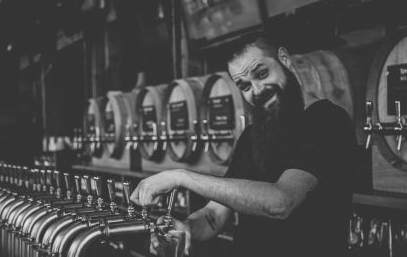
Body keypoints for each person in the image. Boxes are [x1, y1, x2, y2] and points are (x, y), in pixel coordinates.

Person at [130, 31, 356, 257]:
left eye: (262, 73)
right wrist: (186, 228)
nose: (257, 90)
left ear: (284, 60)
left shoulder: (327, 121)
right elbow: (215, 215)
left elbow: (281, 202)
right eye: (244, 86)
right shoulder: (252, 136)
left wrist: (181, 176)